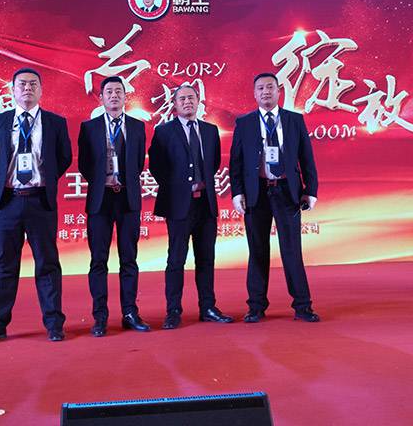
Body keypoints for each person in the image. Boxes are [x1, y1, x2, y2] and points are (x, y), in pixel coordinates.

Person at [0, 68, 72, 345]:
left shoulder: (55, 122)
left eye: (33, 84)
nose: (27, 88)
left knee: (47, 264)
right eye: (22, 84)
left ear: (40, 90)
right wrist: (5, 180)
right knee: (5, 265)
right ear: (13, 90)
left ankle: (54, 324)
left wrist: (44, 179)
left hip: (40, 201)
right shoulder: (0, 121)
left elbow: (63, 158)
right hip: (8, 202)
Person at [229, 73, 320, 324]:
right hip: (256, 192)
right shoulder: (244, 123)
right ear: (254, 93)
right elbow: (236, 162)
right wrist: (237, 192)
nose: (265, 91)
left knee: (292, 250)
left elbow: (307, 158)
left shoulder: (294, 120)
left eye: (270, 87)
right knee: (257, 250)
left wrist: (311, 190)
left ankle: (302, 305)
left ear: (279, 91)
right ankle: (256, 306)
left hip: (287, 191)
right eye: (260, 88)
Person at [149, 85, 234, 329]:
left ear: (198, 101)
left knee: (206, 258)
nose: (187, 102)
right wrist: (178, 189)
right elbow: (157, 166)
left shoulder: (210, 130)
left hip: (205, 203)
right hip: (178, 206)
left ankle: (208, 307)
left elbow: (213, 163)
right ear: (175, 104)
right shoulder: (163, 131)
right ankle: (173, 311)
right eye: (182, 99)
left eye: (191, 98)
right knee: (176, 259)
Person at [78, 76, 150, 336]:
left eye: (119, 91)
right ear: (101, 98)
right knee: (98, 260)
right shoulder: (89, 128)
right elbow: (85, 164)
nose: (114, 95)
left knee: (129, 259)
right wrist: (103, 182)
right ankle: (100, 316)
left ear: (125, 96)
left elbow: (138, 164)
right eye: (109, 92)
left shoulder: (137, 127)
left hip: (128, 198)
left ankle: (130, 312)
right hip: (101, 199)